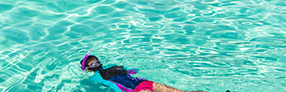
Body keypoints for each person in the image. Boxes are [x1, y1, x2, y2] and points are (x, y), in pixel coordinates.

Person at [80, 53, 210, 92]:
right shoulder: (112, 66)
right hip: (144, 82)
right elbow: (131, 71)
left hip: (136, 90)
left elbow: (114, 86)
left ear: (87, 69)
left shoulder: (95, 78)